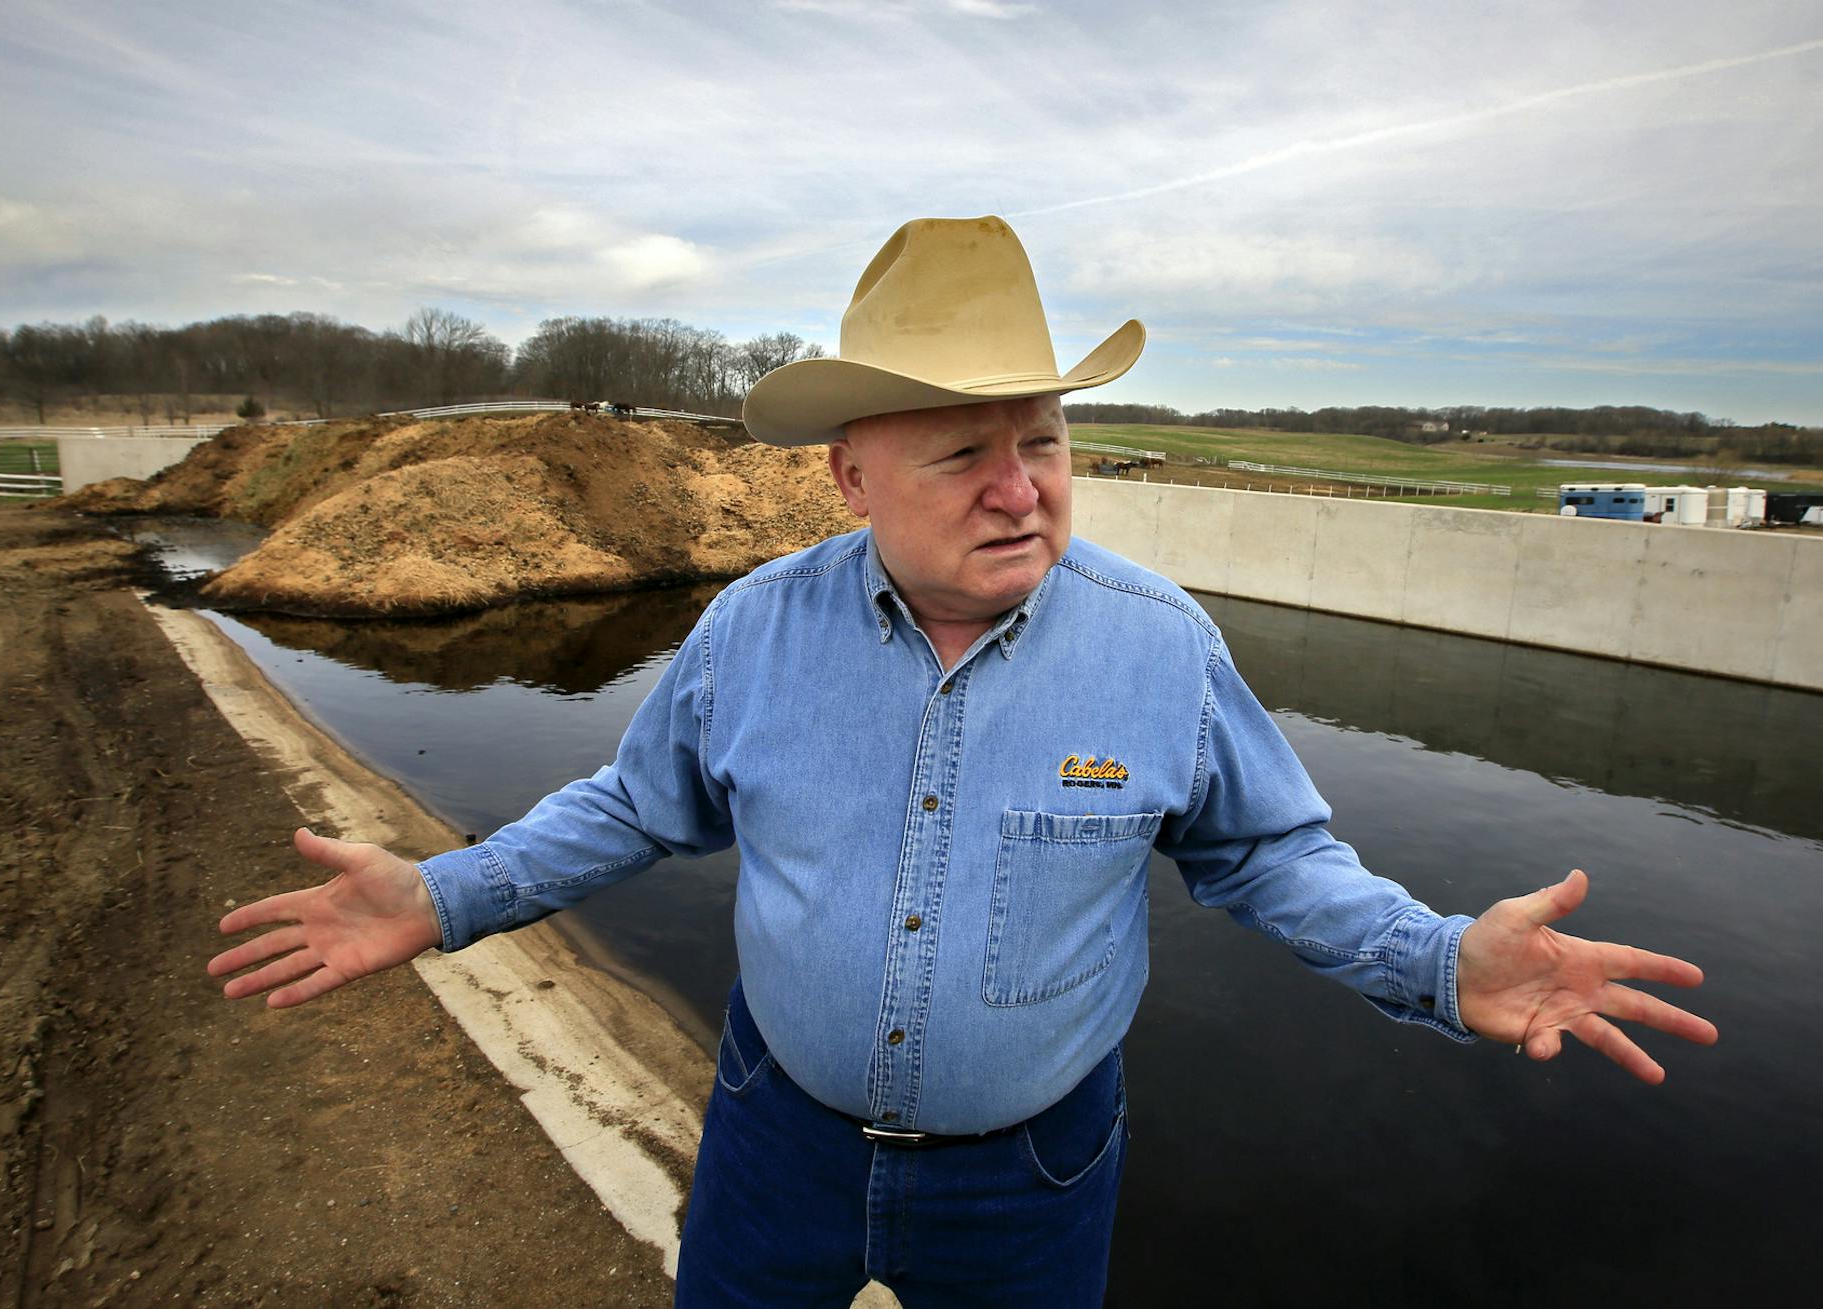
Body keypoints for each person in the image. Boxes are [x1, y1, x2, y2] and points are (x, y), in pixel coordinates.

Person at [208, 216, 1718, 1307]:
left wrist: (1439, 958)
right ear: (850, 471)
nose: (1021, 491)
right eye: (962, 452)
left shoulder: (1161, 648)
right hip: (772, 1143)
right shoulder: (749, 633)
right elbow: (632, 805)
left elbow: (1263, 855)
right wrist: (445, 893)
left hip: (1032, 1184)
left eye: (1046, 442)